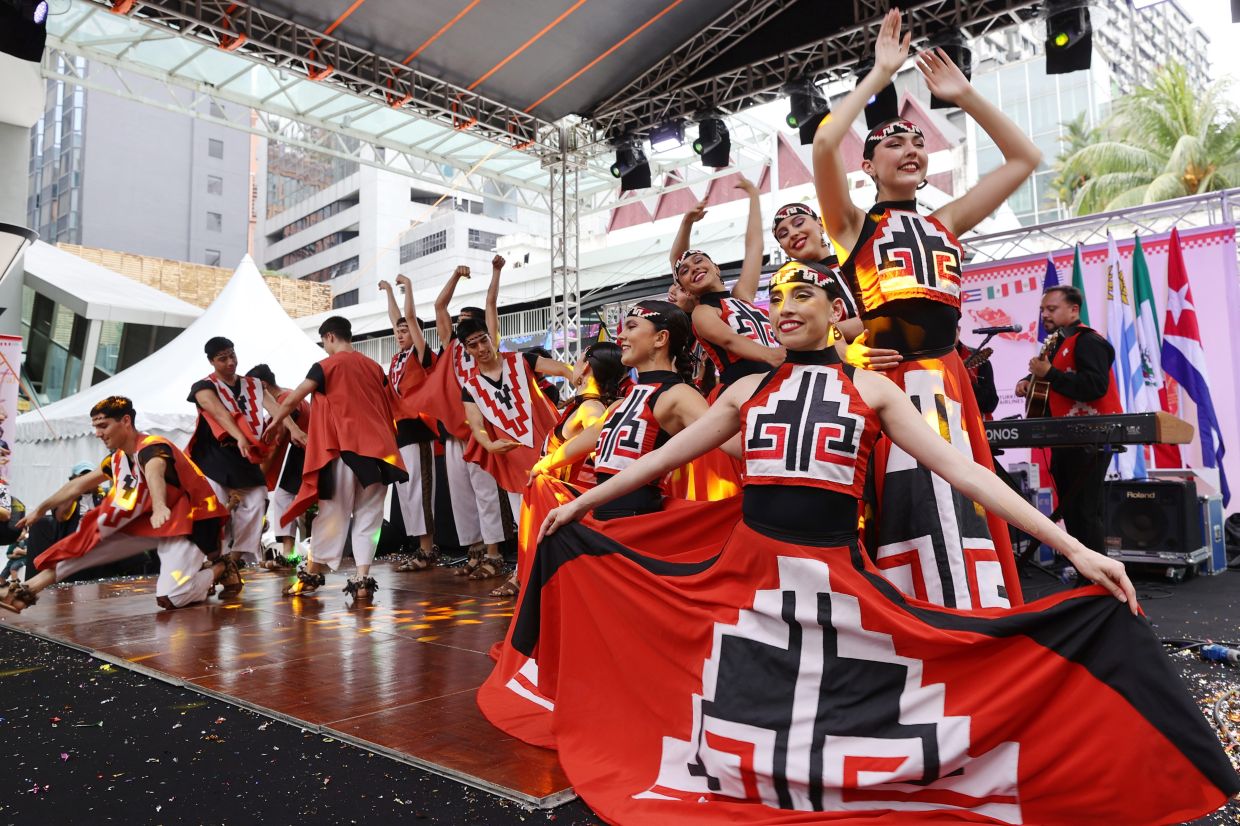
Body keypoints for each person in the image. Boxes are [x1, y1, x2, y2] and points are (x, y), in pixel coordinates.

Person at [489, 262, 1238, 824]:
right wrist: (582, 501)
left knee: (877, 696)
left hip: (833, 580)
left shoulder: (874, 390)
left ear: (836, 313)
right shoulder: (744, 391)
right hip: (745, 575)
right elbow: (661, 460)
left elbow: (967, 473)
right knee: (726, 689)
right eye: (777, 299)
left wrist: (1075, 549)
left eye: (802, 295)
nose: (785, 308)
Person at [811, 9, 1038, 609]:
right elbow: (826, 141)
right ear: (867, 166)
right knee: (902, 510)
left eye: (918, 143)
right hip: (891, 385)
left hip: (949, 383)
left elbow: (1024, 159)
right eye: (894, 142)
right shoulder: (851, 225)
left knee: (964, 505)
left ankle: (975, 611)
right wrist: (880, 73)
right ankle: (911, 618)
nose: (911, 149)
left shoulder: (946, 221)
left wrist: (965, 96)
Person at [3, 396, 229, 613]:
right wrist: (40, 509)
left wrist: (160, 505)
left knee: (172, 597)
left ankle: (221, 568)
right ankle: (25, 591)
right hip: (150, 523)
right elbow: (77, 485)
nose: (98, 433)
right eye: (95, 427)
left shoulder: (152, 447)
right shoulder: (117, 458)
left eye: (103, 426)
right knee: (86, 546)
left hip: (188, 522)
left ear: (126, 421)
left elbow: (155, 471)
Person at [266, 316, 407, 601]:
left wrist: (276, 422)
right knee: (370, 518)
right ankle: (363, 579)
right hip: (379, 453)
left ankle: (311, 575)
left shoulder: (326, 366)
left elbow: (294, 398)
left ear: (329, 336)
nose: (325, 348)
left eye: (324, 343)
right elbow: (389, 404)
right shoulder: (374, 367)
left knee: (332, 514)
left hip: (345, 449)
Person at [532, 300, 713, 521]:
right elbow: (585, 442)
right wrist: (543, 465)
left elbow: (727, 441)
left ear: (660, 338)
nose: (620, 336)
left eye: (632, 326)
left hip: (638, 524)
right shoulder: (621, 403)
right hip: (606, 520)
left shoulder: (678, 394)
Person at [1016, 285, 1119, 552]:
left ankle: (1098, 571)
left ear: (1074, 310)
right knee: (1072, 511)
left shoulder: (1089, 341)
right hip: (1066, 438)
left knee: (1085, 512)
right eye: (1042, 310)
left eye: (1051, 309)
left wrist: (1048, 374)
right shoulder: (1056, 342)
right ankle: (1085, 568)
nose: (1044, 315)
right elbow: (1054, 374)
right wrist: (1027, 381)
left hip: (1090, 438)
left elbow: (1095, 385)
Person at [670, 177, 785, 387]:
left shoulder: (741, 296)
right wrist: (774, 355)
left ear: (716, 268)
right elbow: (729, 339)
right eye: (685, 271)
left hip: (777, 377)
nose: (694, 268)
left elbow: (754, 247)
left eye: (699, 261)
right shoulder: (702, 312)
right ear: (685, 290)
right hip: (745, 388)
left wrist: (754, 195)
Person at [187, 336, 281, 588]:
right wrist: (239, 436)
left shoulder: (253, 385)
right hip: (212, 456)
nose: (230, 362)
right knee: (215, 510)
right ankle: (208, 564)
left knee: (258, 498)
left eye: (232, 355)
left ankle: (231, 561)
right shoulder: (203, 387)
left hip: (243, 455)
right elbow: (218, 412)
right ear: (211, 361)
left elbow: (277, 409)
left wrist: (295, 431)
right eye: (223, 358)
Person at [378, 275, 441, 573]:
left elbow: (409, 317)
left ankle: (427, 549)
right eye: (398, 331)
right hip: (399, 432)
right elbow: (397, 318)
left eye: (406, 331)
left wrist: (409, 287)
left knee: (419, 490)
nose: (400, 333)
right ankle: (420, 547)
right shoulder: (397, 358)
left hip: (418, 429)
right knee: (406, 493)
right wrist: (390, 292)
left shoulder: (421, 354)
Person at [244, 364, 308, 569]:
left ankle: (290, 555)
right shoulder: (289, 395)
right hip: (305, 452)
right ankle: (290, 555)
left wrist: (260, 476)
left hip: (306, 452)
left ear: (262, 385)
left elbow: (278, 438)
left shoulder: (285, 400)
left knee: (284, 497)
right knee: (284, 498)